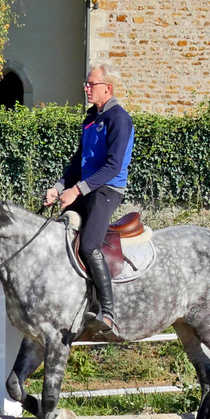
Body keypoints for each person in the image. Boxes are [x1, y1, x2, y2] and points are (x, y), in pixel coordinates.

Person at [44, 61, 135, 337]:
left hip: (107, 191)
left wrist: (77, 191)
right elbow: (76, 164)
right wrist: (59, 187)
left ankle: (108, 312)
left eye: (91, 84)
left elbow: (113, 167)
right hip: (86, 188)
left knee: (88, 246)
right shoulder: (90, 118)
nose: (87, 88)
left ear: (107, 88)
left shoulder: (119, 118)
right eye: (86, 83)